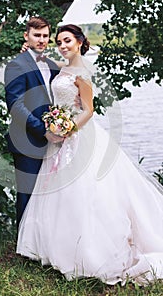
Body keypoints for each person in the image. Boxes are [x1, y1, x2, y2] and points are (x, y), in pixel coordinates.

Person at [16, 24, 163, 286]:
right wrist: (31, 51)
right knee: (58, 194)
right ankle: (58, 249)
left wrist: (69, 128)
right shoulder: (62, 68)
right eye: (59, 41)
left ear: (80, 41)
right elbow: (49, 68)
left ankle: (89, 254)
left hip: (79, 136)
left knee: (86, 194)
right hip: (58, 139)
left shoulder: (82, 72)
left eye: (67, 41)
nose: (62, 45)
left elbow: (89, 110)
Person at [4, 16, 63, 229]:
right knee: (27, 195)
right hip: (27, 139)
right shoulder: (16, 65)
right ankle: (23, 248)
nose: (41, 40)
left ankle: (43, 244)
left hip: (54, 140)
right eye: (36, 35)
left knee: (48, 196)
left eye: (45, 36)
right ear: (26, 36)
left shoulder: (51, 65)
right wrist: (43, 131)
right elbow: (16, 106)